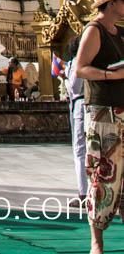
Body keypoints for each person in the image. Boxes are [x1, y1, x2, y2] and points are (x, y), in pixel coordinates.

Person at [75, 0, 124, 254]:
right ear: (112, 3)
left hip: (123, 111)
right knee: (102, 178)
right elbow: (81, 69)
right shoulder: (94, 31)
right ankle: (97, 242)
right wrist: (111, 75)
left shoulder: (121, 33)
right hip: (104, 112)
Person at [63, 36, 87, 201]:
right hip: (96, 105)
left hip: (80, 105)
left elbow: (75, 87)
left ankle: (83, 193)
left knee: (80, 149)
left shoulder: (76, 62)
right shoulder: (92, 59)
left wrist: (64, 80)